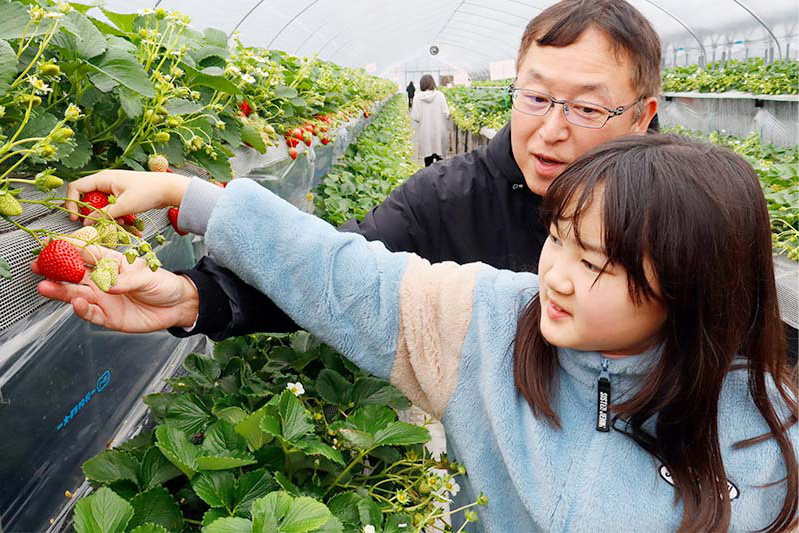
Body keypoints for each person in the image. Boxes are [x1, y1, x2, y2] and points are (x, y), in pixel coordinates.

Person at [34, 135, 799, 531]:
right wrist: (187, 199)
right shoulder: (492, 319)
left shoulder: (765, 433)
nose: (557, 275)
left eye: (596, 261)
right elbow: (342, 272)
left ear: (693, 287)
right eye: (557, 238)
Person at [54, 0, 662, 344]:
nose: (551, 129)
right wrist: (192, 297)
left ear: (643, 115)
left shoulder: (689, 220)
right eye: (534, 97)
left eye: (585, 107)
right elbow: (334, 270)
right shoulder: (446, 198)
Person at [411, 74, 450, 166]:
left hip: (425, 132)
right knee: (440, 163)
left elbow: (415, 116)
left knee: (428, 162)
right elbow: (446, 113)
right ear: (433, 83)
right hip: (439, 131)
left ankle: (430, 179)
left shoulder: (417, 98)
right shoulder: (440, 95)